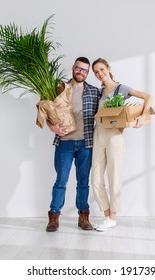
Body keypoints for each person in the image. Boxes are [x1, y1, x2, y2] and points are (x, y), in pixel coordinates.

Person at [90, 58, 153, 231]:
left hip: (114, 137)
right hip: (98, 134)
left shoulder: (121, 89)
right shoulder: (100, 91)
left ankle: (112, 217)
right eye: (96, 72)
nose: (99, 74)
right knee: (95, 179)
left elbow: (148, 97)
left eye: (101, 69)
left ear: (108, 68)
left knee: (114, 177)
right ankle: (107, 214)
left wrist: (142, 116)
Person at [45, 57, 101, 232]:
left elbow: (105, 113)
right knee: (61, 181)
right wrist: (52, 127)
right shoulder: (60, 89)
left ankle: (83, 216)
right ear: (73, 68)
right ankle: (54, 217)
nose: (81, 72)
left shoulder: (94, 92)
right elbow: (47, 111)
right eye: (78, 68)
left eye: (84, 70)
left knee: (83, 182)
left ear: (88, 73)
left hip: (86, 144)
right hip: (64, 144)